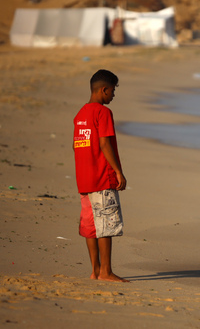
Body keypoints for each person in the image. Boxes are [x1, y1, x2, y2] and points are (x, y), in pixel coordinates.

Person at [73, 69, 129, 282]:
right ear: (104, 90)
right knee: (105, 225)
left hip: (84, 180)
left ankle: (95, 271)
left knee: (91, 226)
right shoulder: (102, 113)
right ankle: (106, 271)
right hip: (102, 178)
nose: (113, 95)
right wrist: (117, 171)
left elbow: (75, 146)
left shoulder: (80, 115)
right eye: (113, 91)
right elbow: (104, 143)